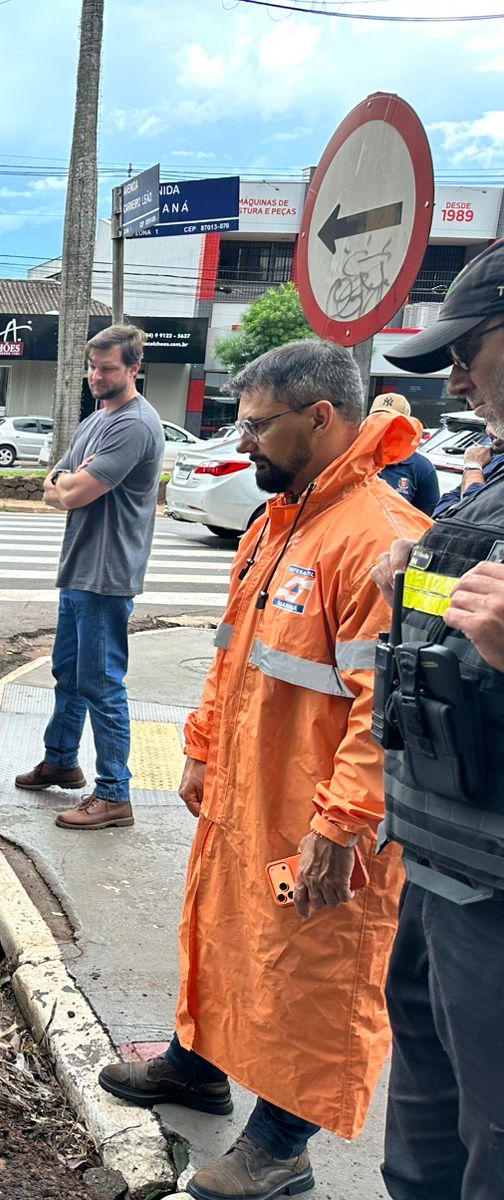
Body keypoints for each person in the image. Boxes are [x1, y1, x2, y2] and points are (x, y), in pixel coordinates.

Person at [95, 340, 430, 1200]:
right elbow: (232, 655)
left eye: (259, 425)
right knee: (226, 936)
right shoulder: (281, 526)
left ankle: (282, 1144)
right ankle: (197, 1065)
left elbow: (388, 712)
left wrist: (339, 824)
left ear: (321, 418)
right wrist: (202, 746)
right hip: (251, 794)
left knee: (317, 977)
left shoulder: (381, 541)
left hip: (321, 820)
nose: (244, 443)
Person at [367, 241, 504, 1200]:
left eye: (468, 349)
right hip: (441, 851)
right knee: (427, 1115)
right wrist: (409, 577)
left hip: (491, 886)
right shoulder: (489, 481)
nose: (453, 375)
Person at [15, 324, 165, 830]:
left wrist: (68, 485)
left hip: (107, 575)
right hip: (79, 569)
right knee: (68, 676)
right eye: (92, 367)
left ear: (133, 368)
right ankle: (61, 759)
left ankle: (114, 794)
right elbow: (50, 485)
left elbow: (72, 494)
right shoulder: (94, 420)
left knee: (102, 685)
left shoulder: (136, 425)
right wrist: (67, 483)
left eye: (107, 368)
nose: (96, 377)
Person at [372, 393, 440, 515]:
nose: (384, 425)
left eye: (393, 421)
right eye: (379, 418)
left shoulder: (421, 467)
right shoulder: (352, 457)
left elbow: (426, 519)